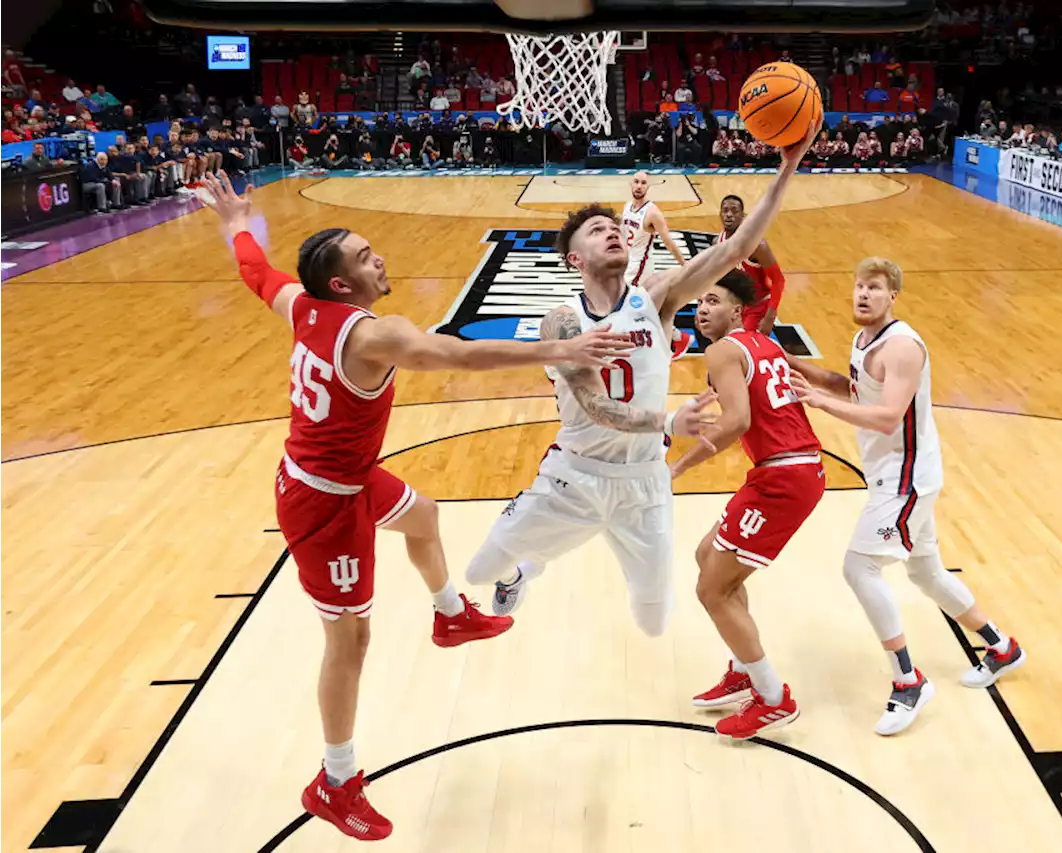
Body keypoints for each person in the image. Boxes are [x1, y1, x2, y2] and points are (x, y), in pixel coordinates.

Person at [197, 171, 636, 841]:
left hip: (341, 472)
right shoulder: (374, 335)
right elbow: (459, 354)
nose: (379, 258)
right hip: (323, 504)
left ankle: (450, 615)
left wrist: (235, 220)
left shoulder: (302, 303)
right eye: (366, 256)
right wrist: (561, 348)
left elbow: (257, 272)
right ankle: (334, 780)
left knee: (423, 516)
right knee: (349, 641)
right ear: (343, 285)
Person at [465, 123, 821, 639]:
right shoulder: (563, 321)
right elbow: (594, 405)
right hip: (576, 474)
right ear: (575, 259)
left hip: (644, 481)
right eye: (597, 231)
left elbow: (736, 246)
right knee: (479, 570)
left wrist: (788, 164)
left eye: (615, 227)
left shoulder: (655, 297)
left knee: (653, 622)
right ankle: (524, 569)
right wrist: (669, 419)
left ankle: (541, 555)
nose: (613, 231)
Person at [788, 257, 1026, 736]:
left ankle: (907, 681)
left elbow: (887, 416)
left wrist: (818, 402)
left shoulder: (902, 347)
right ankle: (1001, 647)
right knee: (926, 571)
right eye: (858, 286)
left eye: (874, 288)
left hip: (907, 478)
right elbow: (854, 387)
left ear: (892, 295)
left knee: (859, 567)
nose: (862, 294)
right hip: (894, 473)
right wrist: (799, 368)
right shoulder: (864, 341)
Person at [668, 271, 826, 739]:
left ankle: (774, 698)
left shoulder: (721, 351)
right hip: (786, 470)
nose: (701, 310)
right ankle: (742, 670)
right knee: (707, 558)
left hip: (784, 476)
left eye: (713, 301)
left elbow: (737, 420)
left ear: (737, 311)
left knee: (711, 590)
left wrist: (676, 468)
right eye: (699, 302)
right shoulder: (765, 344)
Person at [620, 171, 693, 357]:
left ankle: (655, 344)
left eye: (643, 183)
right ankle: (678, 337)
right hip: (628, 263)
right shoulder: (627, 206)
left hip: (641, 266)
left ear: (648, 186)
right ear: (630, 183)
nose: (639, 186)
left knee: (626, 305)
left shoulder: (652, 212)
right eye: (636, 182)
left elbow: (668, 241)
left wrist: (685, 264)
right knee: (646, 307)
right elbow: (623, 236)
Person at [716, 194, 787, 335]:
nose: (729, 215)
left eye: (734, 211)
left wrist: (770, 316)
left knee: (746, 349)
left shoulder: (757, 246)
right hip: (737, 307)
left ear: (743, 216)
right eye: (725, 210)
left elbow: (778, 280)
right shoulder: (718, 242)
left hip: (758, 307)